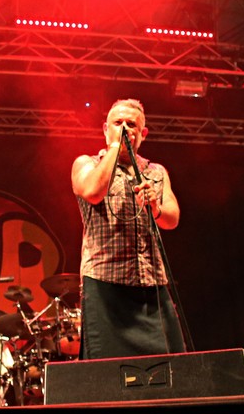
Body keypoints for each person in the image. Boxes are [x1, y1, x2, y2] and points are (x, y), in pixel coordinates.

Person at [71, 98, 184, 359]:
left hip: (151, 283)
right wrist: (114, 147)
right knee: (108, 371)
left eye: (131, 124)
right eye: (117, 123)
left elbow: (172, 219)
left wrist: (155, 206)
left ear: (143, 133)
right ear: (105, 129)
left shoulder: (156, 171)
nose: (124, 128)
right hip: (105, 285)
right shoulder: (87, 164)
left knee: (171, 365)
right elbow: (92, 192)